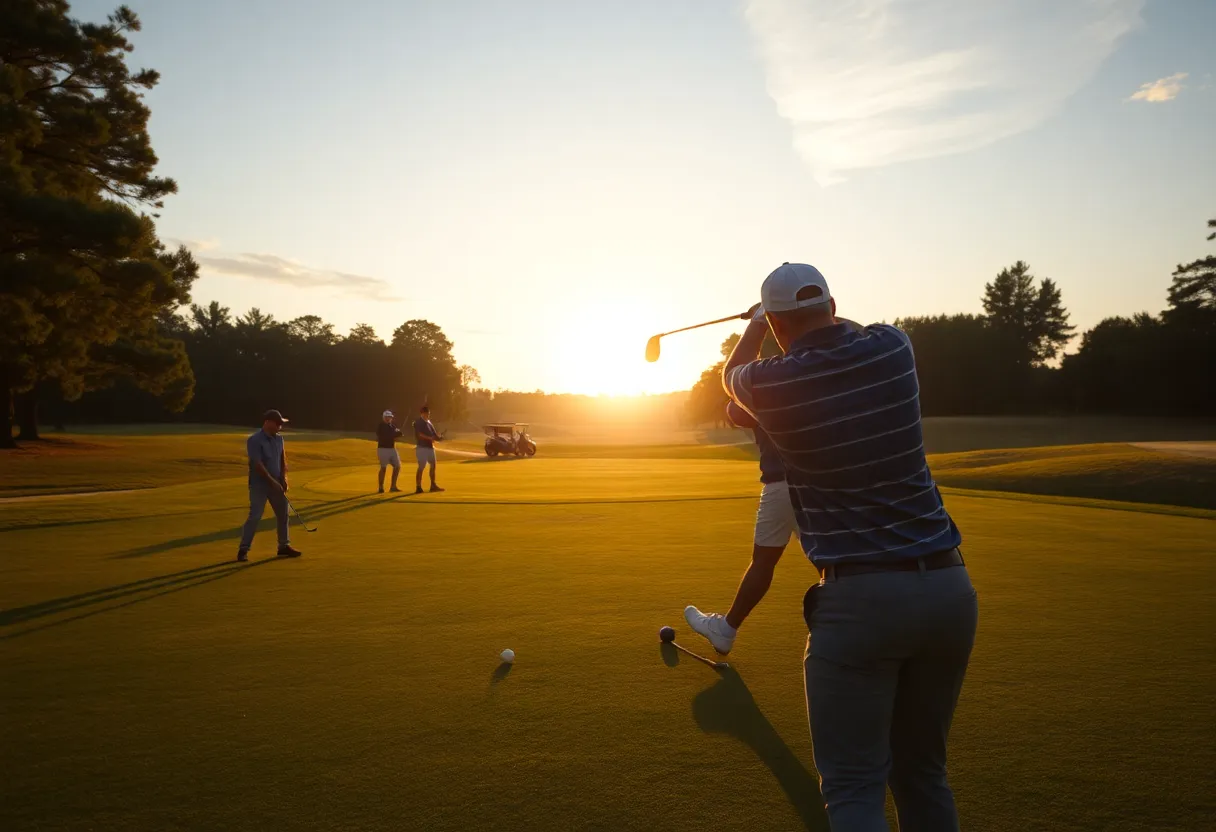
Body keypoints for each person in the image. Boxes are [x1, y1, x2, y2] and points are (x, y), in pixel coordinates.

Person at [722, 263, 977, 831]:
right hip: (948, 588)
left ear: (779, 324)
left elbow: (733, 373)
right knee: (923, 775)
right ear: (833, 307)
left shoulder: (772, 383)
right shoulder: (892, 347)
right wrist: (797, 318)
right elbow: (851, 331)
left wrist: (756, 324)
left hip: (860, 598)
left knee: (854, 785)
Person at [683, 399, 795, 654]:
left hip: (783, 485)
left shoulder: (772, 380)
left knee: (764, 560)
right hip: (823, 484)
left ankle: (725, 630)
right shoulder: (817, 375)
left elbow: (736, 412)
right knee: (832, 564)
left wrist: (742, 365)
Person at [238, 409, 302, 562]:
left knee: (283, 514)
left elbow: (282, 460)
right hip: (259, 485)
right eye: (278, 424)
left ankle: (283, 546)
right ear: (268, 423)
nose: (280, 427)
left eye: (281, 424)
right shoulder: (254, 440)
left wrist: (284, 478)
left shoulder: (279, 440)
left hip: (277, 484)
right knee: (255, 516)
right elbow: (257, 465)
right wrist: (272, 482)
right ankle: (243, 549)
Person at [412, 404, 445, 494]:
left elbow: (434, 434)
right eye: (426, 413)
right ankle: (418, 487)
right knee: (421, 467)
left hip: (430, 448)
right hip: (422, 447)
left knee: (433, 465)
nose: (427, 415)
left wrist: (439, 437)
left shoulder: (429, 422)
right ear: (422, 413)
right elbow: (420, 434)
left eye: (428, 413)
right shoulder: (419, 422)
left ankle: (433, 485)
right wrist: (430, 438)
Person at [376, 409, 403, 493]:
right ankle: (381, 487)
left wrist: (399, 433)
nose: (388, 418)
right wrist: (396, 433)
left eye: (390, 417)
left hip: (392, 449)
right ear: (383, 417)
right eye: (387, 417)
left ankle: (393, 486)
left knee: (397, 466)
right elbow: (386, 435)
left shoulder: (392, 426)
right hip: (383, 449)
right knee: (383, 468)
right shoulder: (381, 426)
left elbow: (394, 435)